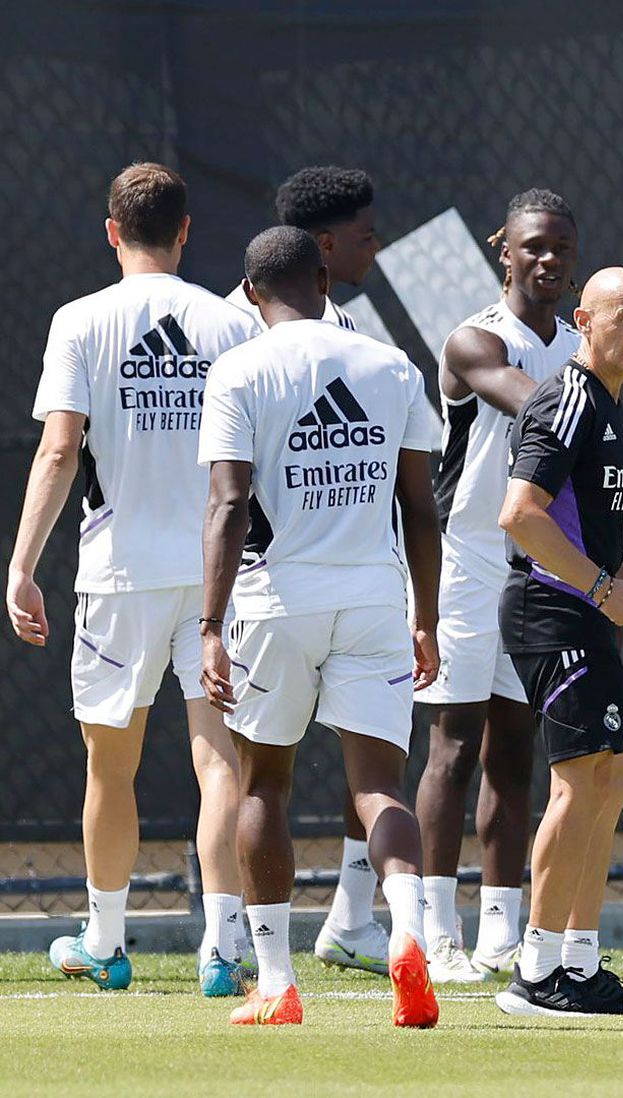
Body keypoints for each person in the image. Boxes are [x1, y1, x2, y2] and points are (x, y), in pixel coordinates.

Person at [416, 190, 623, 983]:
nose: (547, 258)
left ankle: (506, 931)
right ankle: (438, 931)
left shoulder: (587, 357)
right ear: (504, 250)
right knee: (455, 744)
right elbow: (535, 405)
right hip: (474, 560)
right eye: (533, 245)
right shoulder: (482, 340)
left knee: (521, 752)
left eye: (561, 248)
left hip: (552, 562)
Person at [9, 163, 258, 996]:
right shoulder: (232, 324)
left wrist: (21, 566)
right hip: (217, 579)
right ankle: (222, 950)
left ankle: (107, 943)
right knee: (219, 761)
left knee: (109, 767)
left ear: (113, 231)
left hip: (119, 577)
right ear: (184, 231)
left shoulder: (79, 321)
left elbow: (59, 448)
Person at [198, 225, 443, 1027]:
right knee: (379, 787)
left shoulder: (239, 370)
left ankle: (277, 984)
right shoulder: (392, 365)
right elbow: (420, 509)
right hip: (375, 601)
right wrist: (427, 619)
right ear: (325, 280)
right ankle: (409, 932)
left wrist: (209, 625)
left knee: (265, 783)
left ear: (250, 291)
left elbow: (229, 505)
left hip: (275, 604)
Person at [494, 267, 623, 1018]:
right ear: (583, 320)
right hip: (552, 613)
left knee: (611, 781)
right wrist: (604, 590)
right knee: (580, 784)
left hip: (582, 609)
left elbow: (582, 533)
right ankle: (535, 971)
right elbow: (521, 515)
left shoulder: (607, 402)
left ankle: (578, 964)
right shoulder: (569, 398)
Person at [225, 165, 388, 973]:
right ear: (322, 251)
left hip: (337, 586)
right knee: (248, 770)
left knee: (366, 763)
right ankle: (232, 935)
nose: (375, 247)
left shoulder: (356, 336)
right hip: (249, 582)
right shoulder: (228, 332)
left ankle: (351, 921)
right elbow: (222, 491)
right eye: (364, 235)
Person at [226, 165, 374, 332]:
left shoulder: (231, 311)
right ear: (326, 243)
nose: (376, 246)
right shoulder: (234, 319)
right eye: (367, 238)